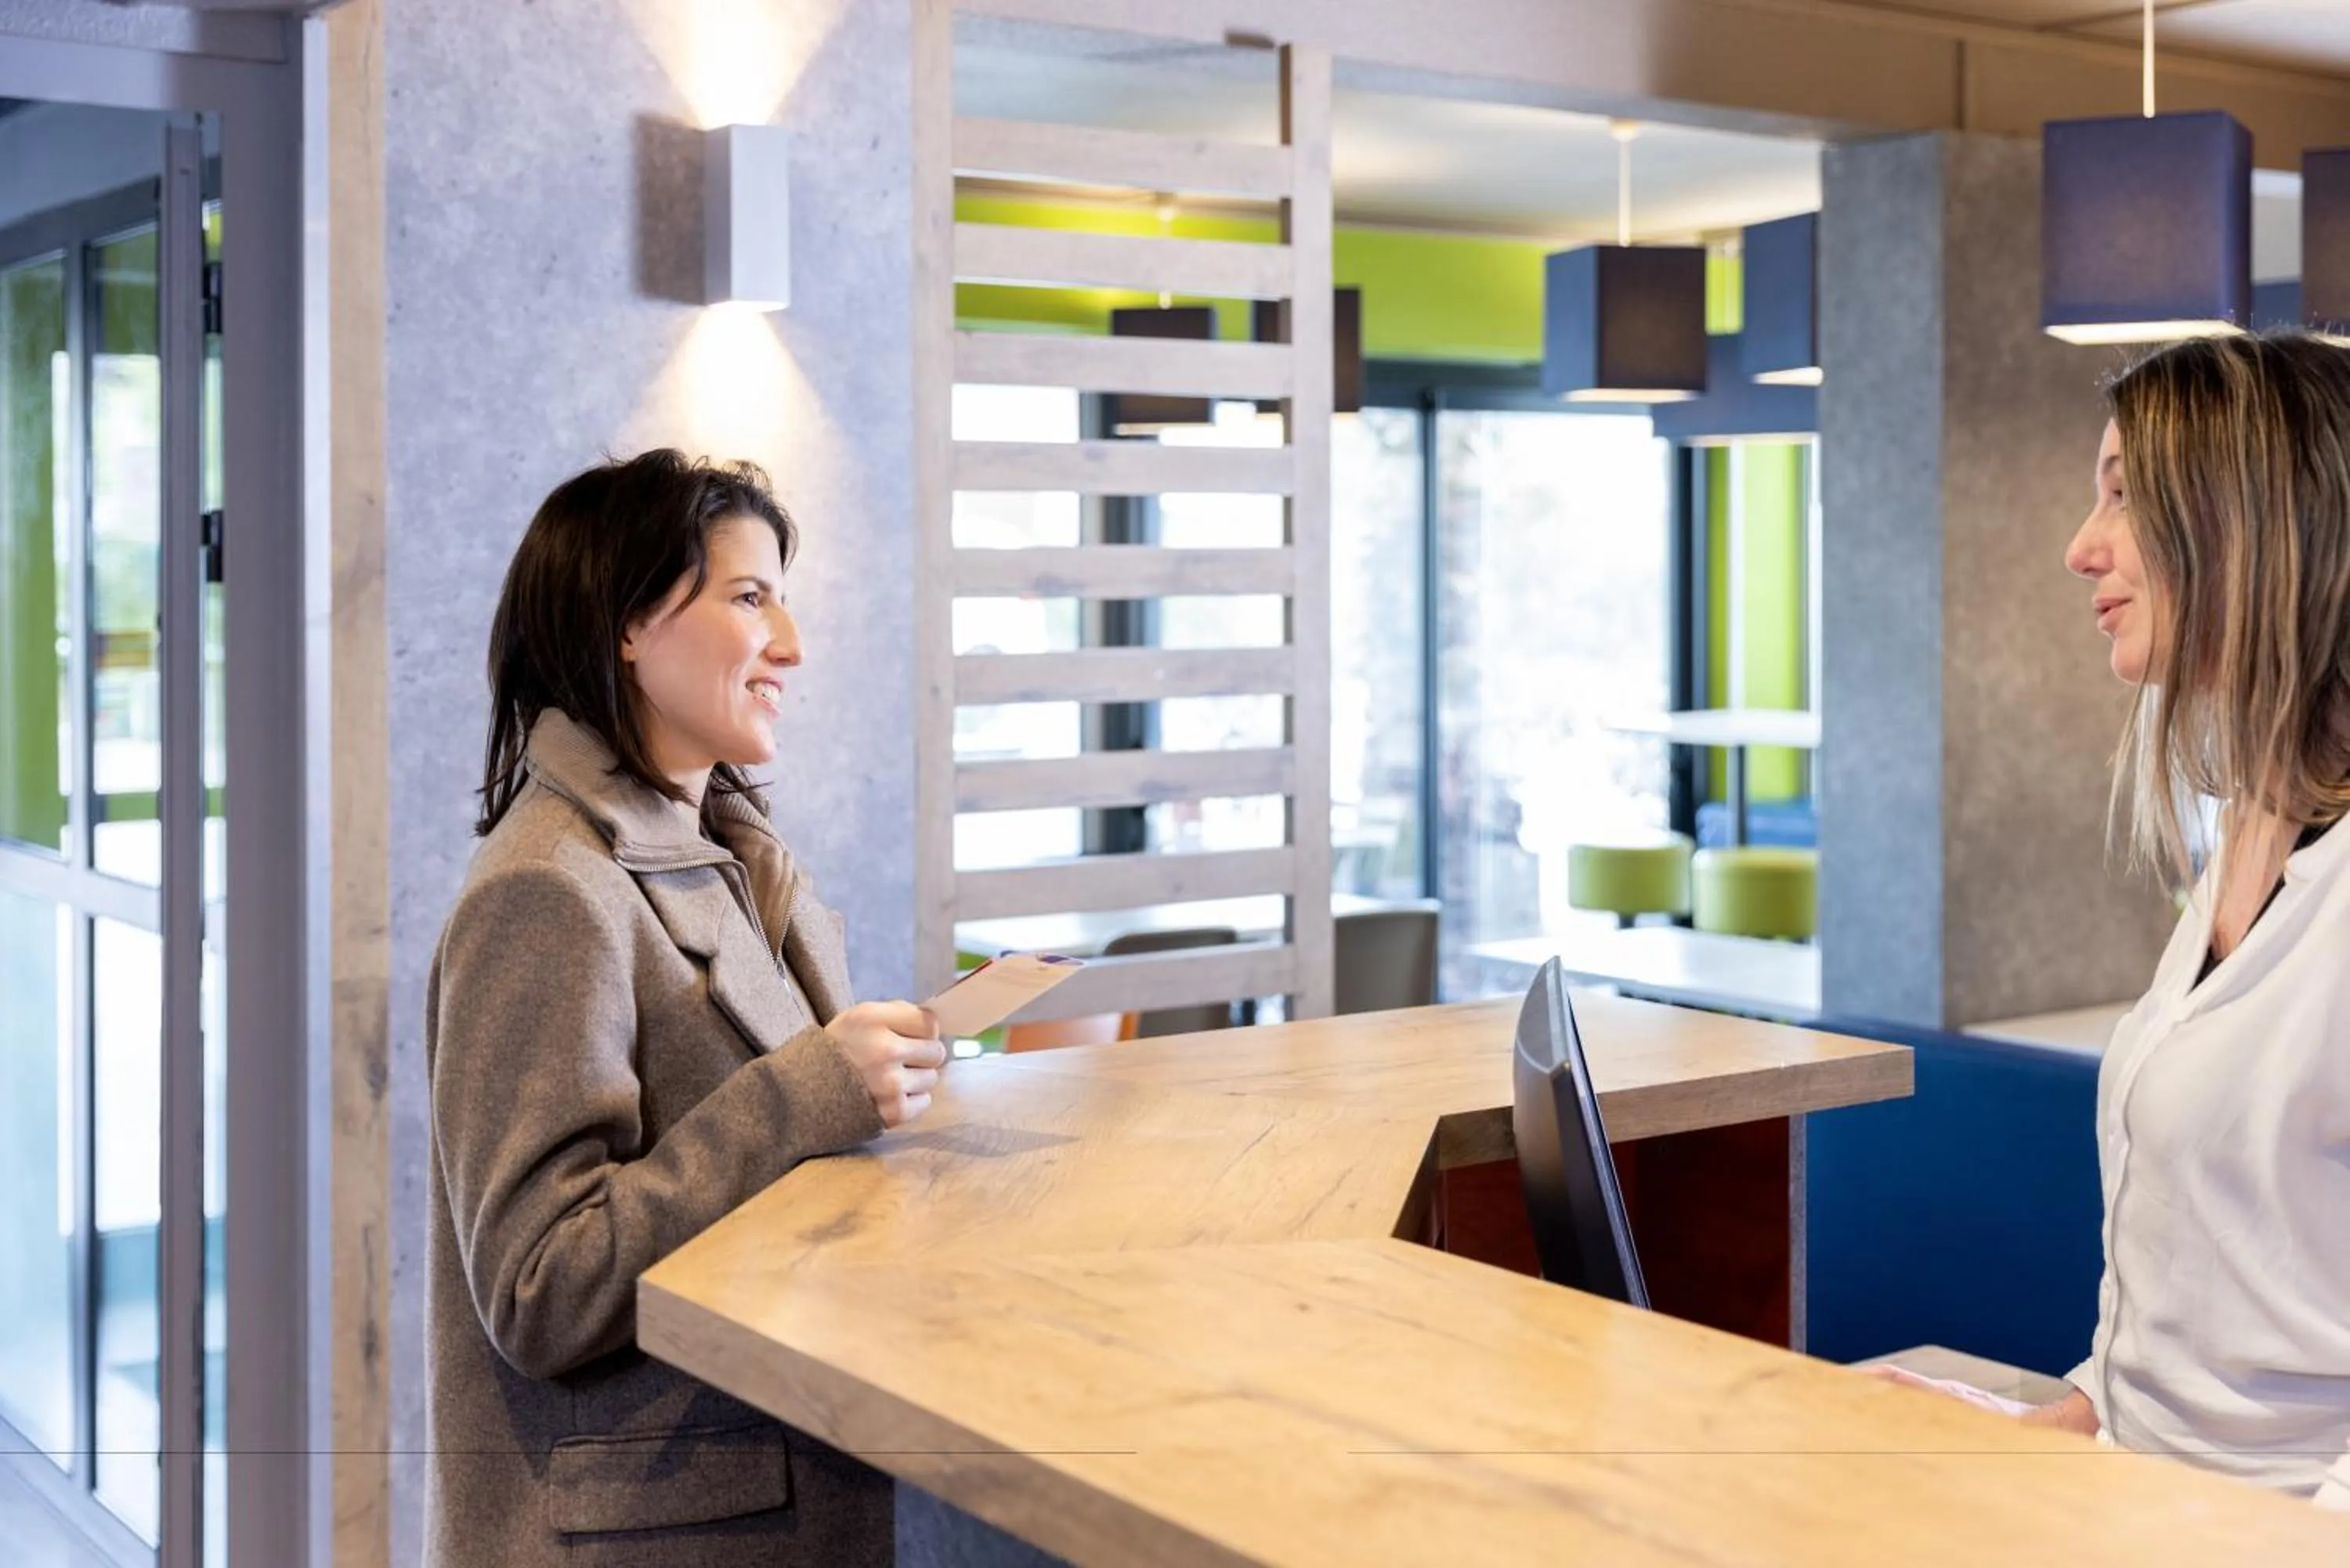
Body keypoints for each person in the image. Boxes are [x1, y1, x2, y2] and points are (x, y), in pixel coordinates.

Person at [422, 450, 945, 1566]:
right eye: (750, 598)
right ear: (629, 623)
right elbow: (539, 1288)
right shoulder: (549, 889)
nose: (790, 644)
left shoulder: (735, 862)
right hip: (654, 1529)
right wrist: (805, 1093)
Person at [1882, 333, 2350, 1510]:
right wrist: (2064, 1421)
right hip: (2143, 1501)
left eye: (2125, 495)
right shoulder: (2250, 829)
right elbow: (2213, 1285)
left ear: (2249, 524)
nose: (2081, 546)